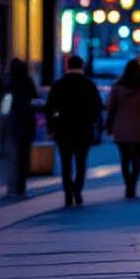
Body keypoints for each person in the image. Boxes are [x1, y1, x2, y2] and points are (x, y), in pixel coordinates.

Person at [44, 54, 102, 207]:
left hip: (63, 128)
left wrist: (51, 127)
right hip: (83, 128)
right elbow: (97, 107)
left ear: (67, 65)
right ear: (81, 66)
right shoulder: (89, 84)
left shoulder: (59, 84)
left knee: (65, 162)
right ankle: (78, 189)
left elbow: (49, 107)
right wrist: (92, 122)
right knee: (81, 162)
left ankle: (68, 193)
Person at [106, 59, 140, 198]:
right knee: (137, 159)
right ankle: (133, 184)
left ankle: (127, 184)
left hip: (121, 126)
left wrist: (109, 126)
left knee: (124, 158)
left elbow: (111, 108)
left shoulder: (117, 87)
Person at [2, 58, 40, 196]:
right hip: (27, 121)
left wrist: (4, 116)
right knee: (24, 155)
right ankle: (21, 185)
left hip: (14, 122)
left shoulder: (9, 83)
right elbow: (35, 97)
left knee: (13, 156)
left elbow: (6, 103)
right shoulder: (28, 81)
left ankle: (12, 186)